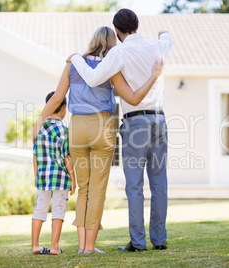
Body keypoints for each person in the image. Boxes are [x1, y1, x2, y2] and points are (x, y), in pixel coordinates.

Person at [31, 26, 164, 254]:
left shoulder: (72, 65)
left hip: (78, 129)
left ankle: (82, 245)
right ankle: (89, 247)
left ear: (92, 42)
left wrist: (39, 121)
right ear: (112, 45)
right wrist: (153, 76)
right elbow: (132, 97)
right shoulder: (111, 68)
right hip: (102, 129)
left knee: (84, 188)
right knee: (98, 189)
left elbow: (56, 99)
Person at [67, 8, 173, 252]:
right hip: (160, 120)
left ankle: (138, 243)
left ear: (116, 30)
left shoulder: (119, 52)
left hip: (135, 122)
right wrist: (162, 32)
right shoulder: (158, 46)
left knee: (134, 186)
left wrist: (75, 58)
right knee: (160, 183)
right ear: (137, 25)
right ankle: (159, 240)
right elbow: (168, 37)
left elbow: (93, 78)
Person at [31, 91, 76, 255]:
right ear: (64, 108)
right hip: (61, 178)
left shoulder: (39, 130)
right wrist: (73, 179)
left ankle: (35, 245)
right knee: (58, 210)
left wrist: (36, 175)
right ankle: (54, 247)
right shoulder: (64, 130)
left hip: (43, 178)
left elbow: (35, 155)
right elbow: (67, 158)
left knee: (39, 210)